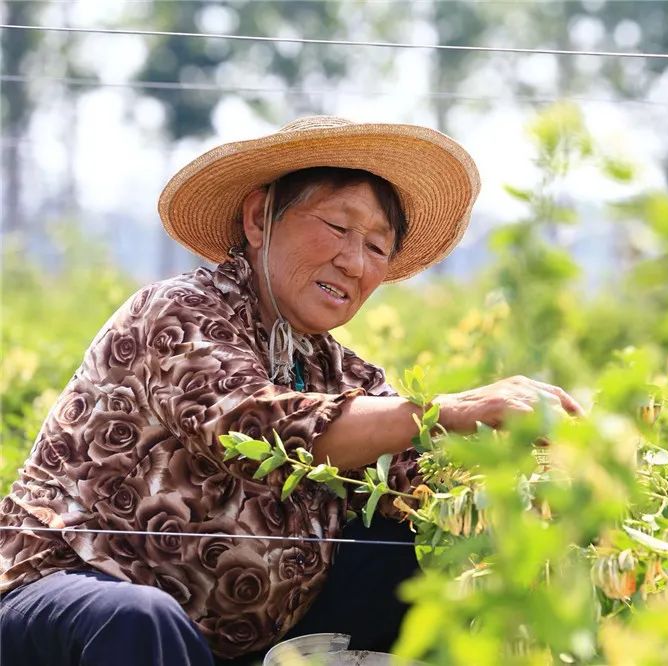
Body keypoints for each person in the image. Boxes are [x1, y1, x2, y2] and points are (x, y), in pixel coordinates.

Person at [0, 116, 583, 665]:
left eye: (377, 247)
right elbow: (256, 426)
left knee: (402, 537)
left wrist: (550, 478)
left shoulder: (344, 375)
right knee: (140, 619)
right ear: (260, 219)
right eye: (337, 227)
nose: (354, 262)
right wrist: (448, 410)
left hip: (230, 643)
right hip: (69, 600)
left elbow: (418, 475)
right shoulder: (178, 312)